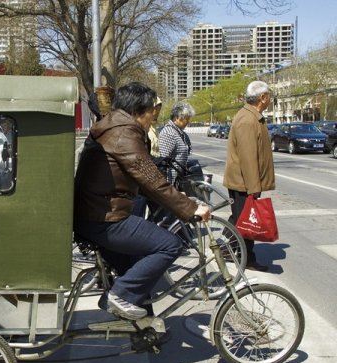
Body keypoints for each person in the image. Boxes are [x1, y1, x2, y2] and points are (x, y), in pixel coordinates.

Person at [74, 82, 211, 320]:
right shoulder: (123, 133)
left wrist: (181, 200)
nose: (153, 118)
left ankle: (146, 331)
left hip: (94, 215)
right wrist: (191, 209)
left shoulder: (112, 127)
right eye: (151, 112)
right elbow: (150, 179)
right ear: (139, 111)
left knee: (135, 267)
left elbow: (144, 182)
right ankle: (120, 295)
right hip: (105, 218)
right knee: (169, 245)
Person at [223, 80, 275, 272]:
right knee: (247, 223)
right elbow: (248, 157)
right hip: (243, 183)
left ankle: (229, 249)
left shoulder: (253, 117)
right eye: (269, 95)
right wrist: (254, 188)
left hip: (245, 182)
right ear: (262, 97)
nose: (270, 98)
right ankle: (247, 259)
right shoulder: (247, 119)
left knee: (239, 219)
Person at [158, 101, 195, 185]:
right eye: (186, 119)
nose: (188, 122)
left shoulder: (179, 132)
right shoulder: (169, 133)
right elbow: (163, 161)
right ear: (176, 118)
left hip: (177, 182)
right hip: (169, 183)